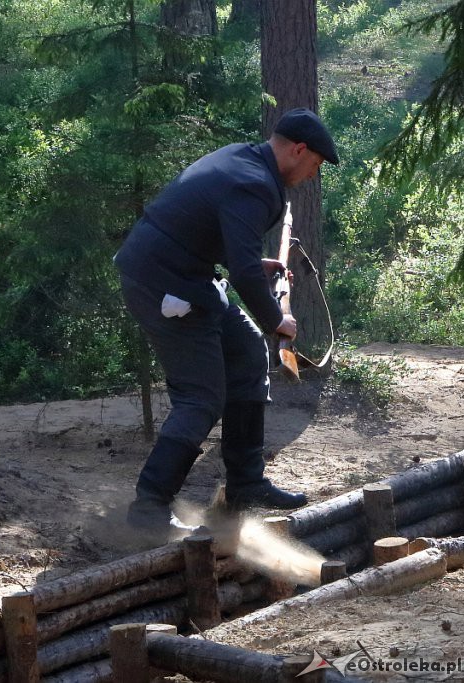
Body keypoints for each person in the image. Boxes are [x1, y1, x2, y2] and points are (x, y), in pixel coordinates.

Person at [114, 108, 339, 534]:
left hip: (187, 276)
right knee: (201, 398)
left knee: (248, 351)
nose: (313, 175)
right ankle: (149, 507)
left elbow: (213, 237)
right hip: (162, 285)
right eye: (314, 165)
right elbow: (241, 273)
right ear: (299, 149)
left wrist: (255, 262)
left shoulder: (244, 160)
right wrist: (278, 320)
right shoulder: (253, 183)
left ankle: (245, 484)